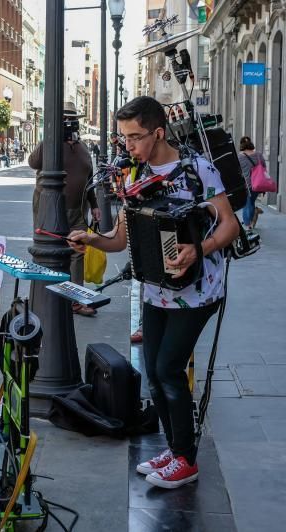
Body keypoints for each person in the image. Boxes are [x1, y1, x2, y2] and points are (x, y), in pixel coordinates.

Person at [69, 96, 240, 489]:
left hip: (197, 289)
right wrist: (91, 240)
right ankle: (174, 447)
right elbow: (119, 240)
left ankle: (186, 459)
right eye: (123, 137)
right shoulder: (132, 177)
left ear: (158, 132)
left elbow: (229, 225)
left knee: (168, 369)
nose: (126, 146)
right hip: (155, 289)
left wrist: (200, 249)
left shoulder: (197, 169)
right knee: (153, 371)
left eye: (134, 137)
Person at [29, 101, 101, 317]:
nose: (69, 123)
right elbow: (33, 162)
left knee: (78, 252)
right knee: (48, 251)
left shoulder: (83, 148)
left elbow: (88, 179)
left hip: (78, 210)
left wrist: (95, 205)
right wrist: (50, 136)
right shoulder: (50, 144)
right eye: (64, 120)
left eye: (72, 119)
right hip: (49, 207)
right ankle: (46, 297)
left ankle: (76, 300)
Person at [236, 136, 265, 231]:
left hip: (246, 185)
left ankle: (248, 224)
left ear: (241, 145)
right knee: (251, 202)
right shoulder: (259, 155)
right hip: (258, 184)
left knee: (247, 204)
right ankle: (252, 219)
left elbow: (236, 171)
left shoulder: (239, 157)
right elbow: (264, 169)